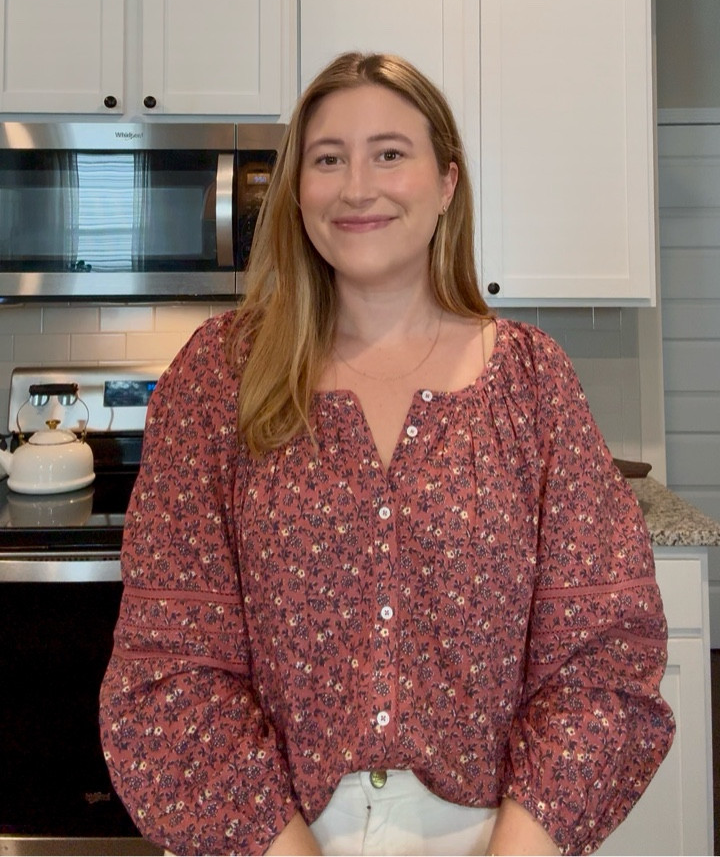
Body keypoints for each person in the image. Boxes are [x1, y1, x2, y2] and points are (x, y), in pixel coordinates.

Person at [99, 52, 674, 857]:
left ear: (446, 184)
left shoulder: (533, 382)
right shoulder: (220, 377)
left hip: (497, 834)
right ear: (300, 191)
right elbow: (170, 664)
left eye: (389, 154)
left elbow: (604, 650)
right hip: (267, 838)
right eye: (328, 159)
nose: (356, 186)